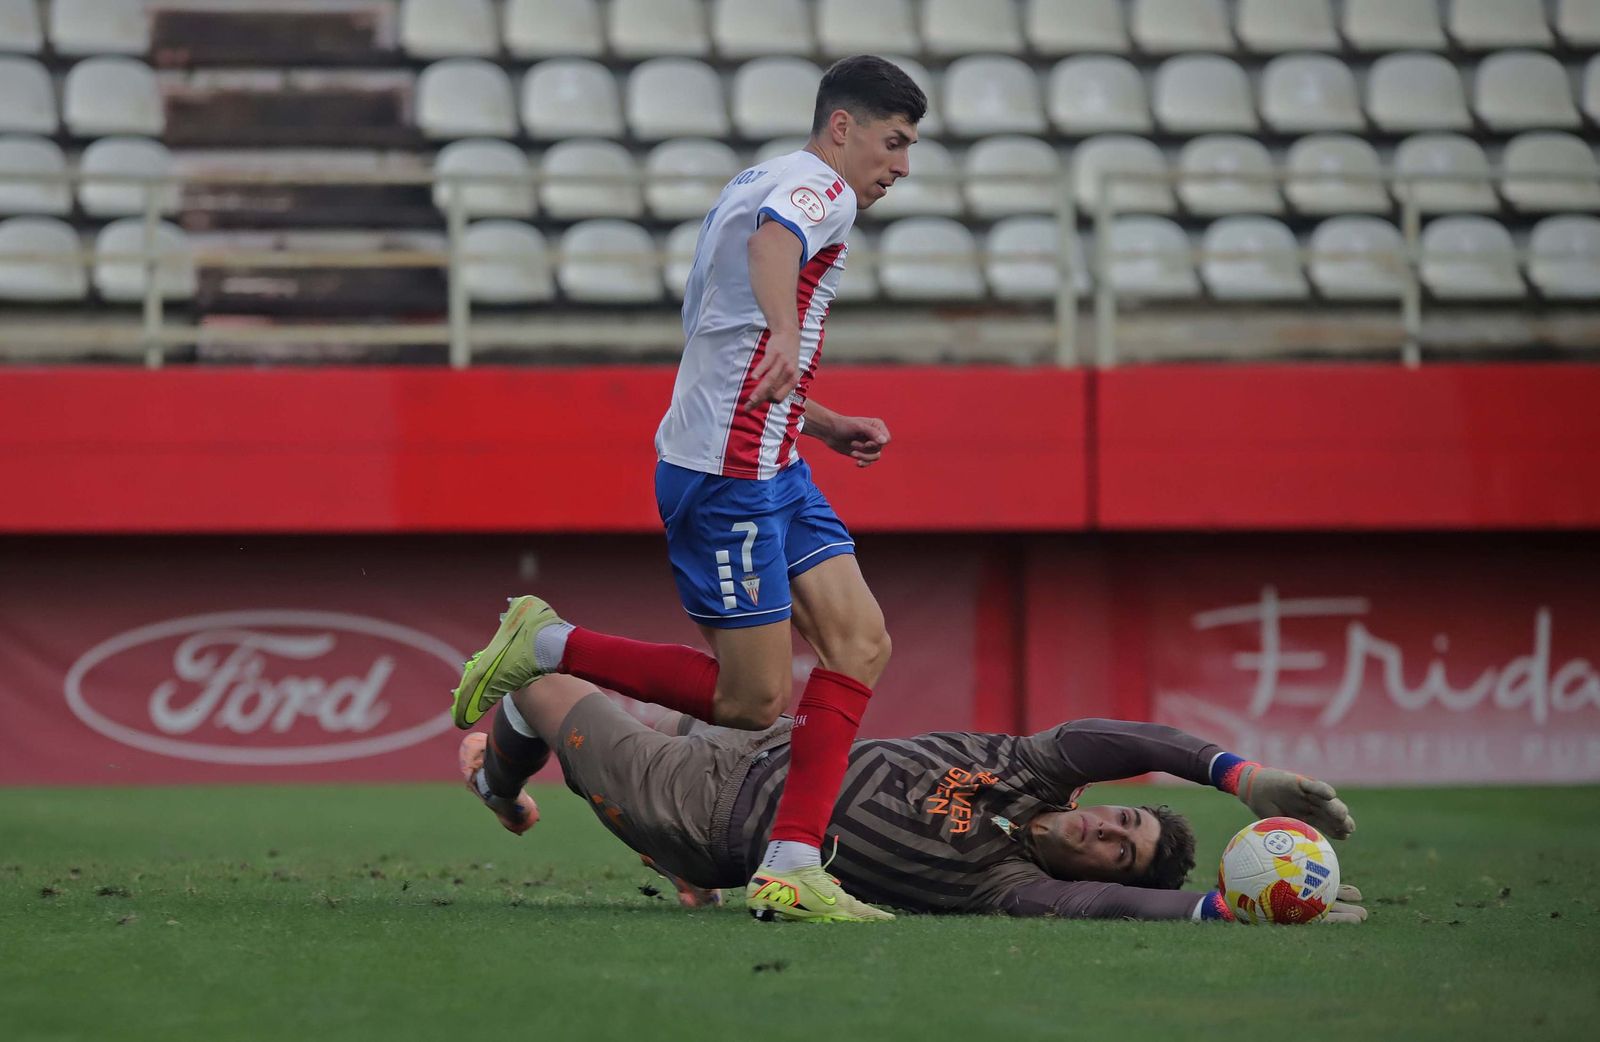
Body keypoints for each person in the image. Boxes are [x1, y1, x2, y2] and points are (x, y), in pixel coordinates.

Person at [449, 56, 929, 923]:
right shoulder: (819, 190)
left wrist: (822, 421)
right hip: (730, 474)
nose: (901, 165)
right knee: (751, 701)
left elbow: (731, 332)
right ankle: (548, 644)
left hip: (774, 458)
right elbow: (772, 246)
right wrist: (789, 327)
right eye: (893, 143)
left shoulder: (762, 175)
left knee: (860, 644)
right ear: (842, 128)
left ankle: (790, 866)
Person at [456, 673, 1369, 925]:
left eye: (1114, 850)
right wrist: (1245, 778)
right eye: (1122, 819)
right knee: (761, 664)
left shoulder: (1000, 883)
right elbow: (1122, 739)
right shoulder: (1032, 766)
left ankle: (498, 783)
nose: (1101, 835)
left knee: (545, 678)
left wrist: (1222, 908)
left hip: (713, 813)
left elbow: (1109, 904)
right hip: (772, 742)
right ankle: (646, 786)